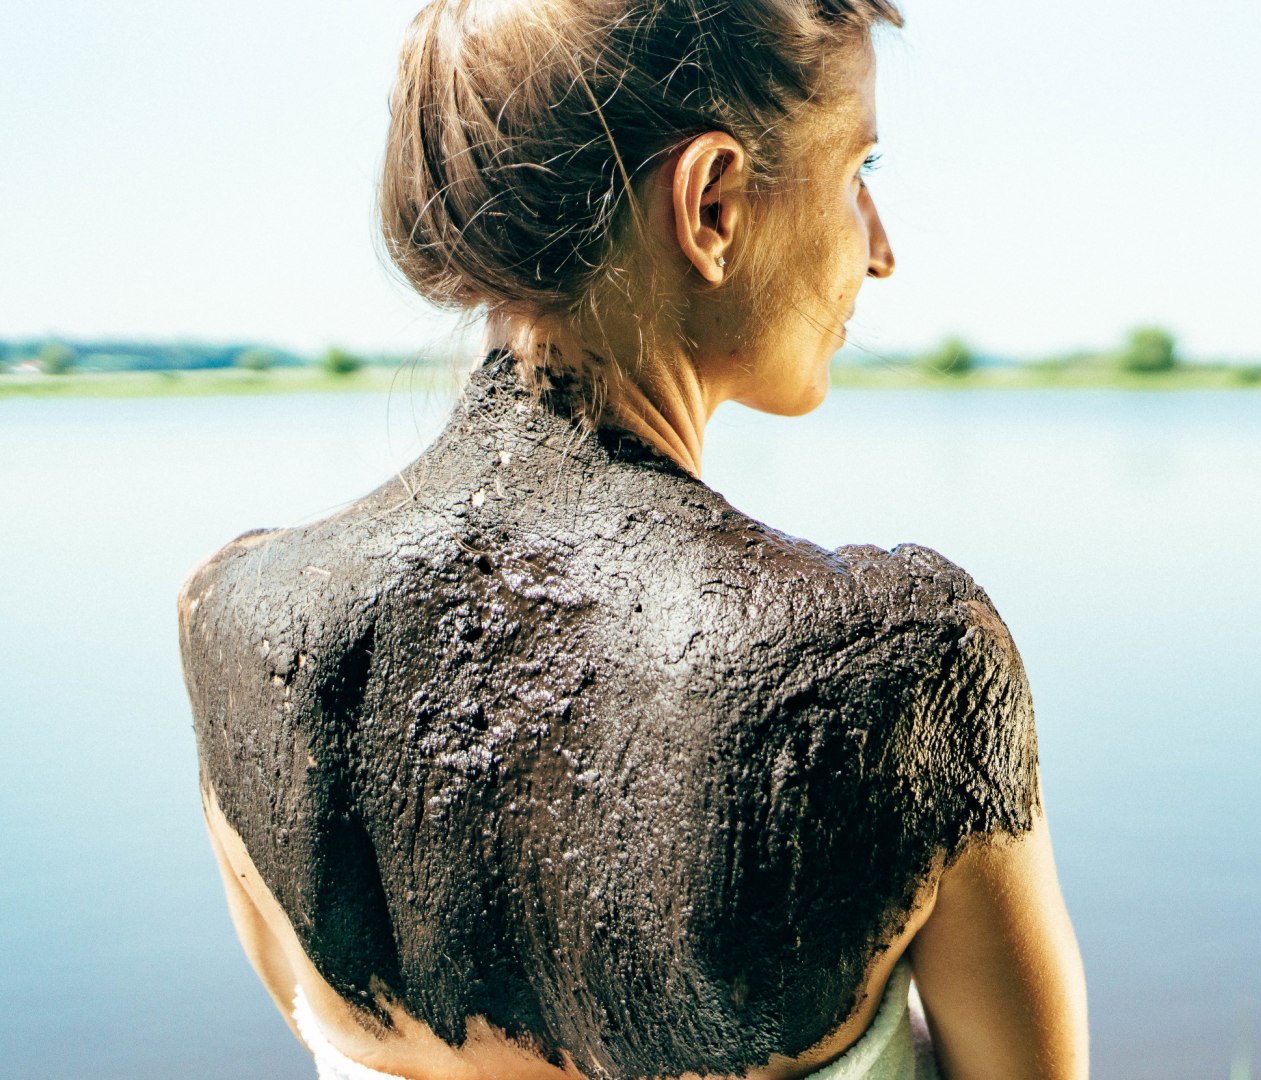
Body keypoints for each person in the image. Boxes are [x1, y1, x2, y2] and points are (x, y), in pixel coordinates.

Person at [174, 2, 1088, 1079]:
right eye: (857, 172)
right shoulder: (891, 671)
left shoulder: (235, 624)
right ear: (711, 204)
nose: (878, 251)